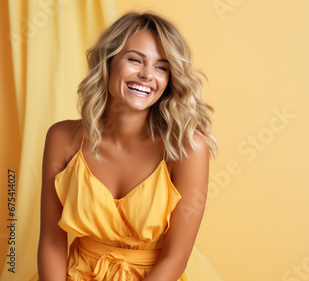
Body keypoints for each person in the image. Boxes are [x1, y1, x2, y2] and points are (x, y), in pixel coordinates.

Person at [37, 11, 218, 281]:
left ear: (170, 80)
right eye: (135, 60)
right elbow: (52, 241)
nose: (147, 75)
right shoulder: (62, 137)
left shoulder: (187, 148)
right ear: (108, 62)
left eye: (162, 67)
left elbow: (175, 259)